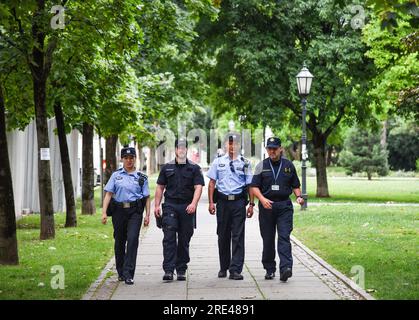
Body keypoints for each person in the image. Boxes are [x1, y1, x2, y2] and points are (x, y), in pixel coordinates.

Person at [249, 137, 304, 282]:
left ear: (281, 149)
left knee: (284, 237)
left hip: (284, 206)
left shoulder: (288, 165)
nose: (272, 151)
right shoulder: (261, 166)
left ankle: (286, 268)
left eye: (274, 148)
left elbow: (295, 185)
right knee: (268, 239)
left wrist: (298, 196)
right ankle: (269, 269)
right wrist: (261, 199)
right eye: (269, 148)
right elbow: (254, 187)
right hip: (267, 207)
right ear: (267, 150)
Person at [154, 138, 205, 281]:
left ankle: (181, 268)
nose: (181, 150)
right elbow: (160, 187)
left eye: (183, 148)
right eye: (179, 148)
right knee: (169, 238)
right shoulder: (167, 167)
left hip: (187, 207)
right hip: (170, 205)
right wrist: (157, 205)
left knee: (184, 238)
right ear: (175, 149)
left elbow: (198, 187)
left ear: (186, 150)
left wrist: (194, 204)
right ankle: (169, 270)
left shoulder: (194, 168)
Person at [207, 133, 254, 280]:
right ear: (226, 145)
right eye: (230, 143)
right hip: (222, 203)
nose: (232, 146)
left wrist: (251, 204)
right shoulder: (218, 162)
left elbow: (250, 185)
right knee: (223, 235)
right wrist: (210, 202)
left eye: (235, 143)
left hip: (239, 203)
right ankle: (224, 267)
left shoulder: (245, 163)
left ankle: (235, 269)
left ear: (239, 145)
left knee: (238, 236)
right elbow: (212, 183)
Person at [101, 147, 150, 285]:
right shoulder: (116, 176)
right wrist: (104, 212)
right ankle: (121, 271)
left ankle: (129, 273)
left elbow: (146, 197)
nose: (129, 161)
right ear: (122, 159)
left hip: (135, 211)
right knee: (120, 241)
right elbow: (109, 194)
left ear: (135, 159)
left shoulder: (141, 177)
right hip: (118, 211)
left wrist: (147, 216)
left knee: (133, 239)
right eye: (126, 158)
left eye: (131, 158)